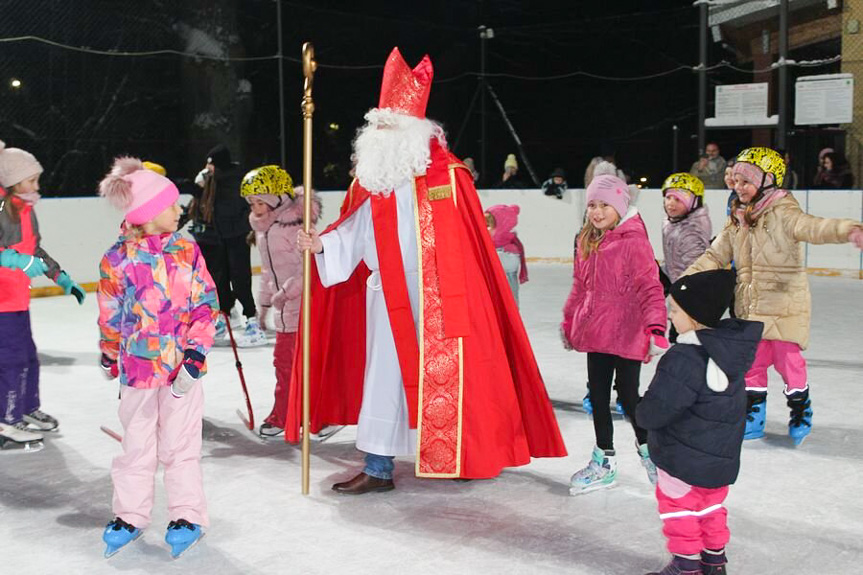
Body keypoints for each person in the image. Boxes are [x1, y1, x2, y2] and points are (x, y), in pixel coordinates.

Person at [293, 47, 566, 494]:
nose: (377, 134)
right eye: (375, 125)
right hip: (386, 296)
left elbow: (472, 247)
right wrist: (320, 243)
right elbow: (355, 233)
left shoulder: (449, 177)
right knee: (382, 378)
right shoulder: (372, 182)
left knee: (454, 377)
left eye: (387, 126)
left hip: (441, 298)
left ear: (412, 132)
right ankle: (378, 467)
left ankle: (459, 453)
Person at [685, 147, 863, 445]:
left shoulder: (784, 212)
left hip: (783, 306)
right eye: (736, 181)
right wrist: (686, 280)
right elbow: (715, 254)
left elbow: (816, 227)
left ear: (768, 180)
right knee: (751, 365)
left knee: (789, 363)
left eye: (746, 181)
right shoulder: (738, 218)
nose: (738, 187)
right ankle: (754, 414)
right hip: (751, 308)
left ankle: (799, 407)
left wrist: (849, 230)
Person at [97, 156, 218, 558]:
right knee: (136, 446)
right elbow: (110, 312)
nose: (178, 209)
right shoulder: (116, 259)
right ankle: (130, 515)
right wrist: (109, 353)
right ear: (147, 213)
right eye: (169, 205)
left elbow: (205, 302)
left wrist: (197, 353)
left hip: (181, 370)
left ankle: (187, 515)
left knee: (181, 447)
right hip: (137, 371)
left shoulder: (186, 248)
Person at [637, 270, 763, 575]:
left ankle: (685, 566)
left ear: (694, 316)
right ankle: (713, 561)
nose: (670, 316)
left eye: (676, 310)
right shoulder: (728, 356)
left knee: (678, 509)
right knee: (710, 508)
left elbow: (658, 409)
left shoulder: (684, 358)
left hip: (681, 458)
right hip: (718, 462)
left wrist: (641, 412)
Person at [560, 174, 667, 495]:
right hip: (597, 330)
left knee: (630, 396)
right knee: (597, 396)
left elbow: (651, 287)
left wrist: (656, 327)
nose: (596, 211)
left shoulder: (634, 241)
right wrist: (570, 321)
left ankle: (651, 454)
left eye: (604, 205)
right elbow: (580, 286)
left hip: (629, 329)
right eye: (592, 204)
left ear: (620, 206)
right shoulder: (586, 239)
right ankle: (603, 461)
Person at [0, 140, 85, 448]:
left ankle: (25, 408)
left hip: (17, 297)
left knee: (27, 357)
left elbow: (34, 249)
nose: (37, 186)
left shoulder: (25, 209)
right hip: (1, 302)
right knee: (10, 360)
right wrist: (15, 260)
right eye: (31, 180)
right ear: (11, 181)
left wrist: (59, 276)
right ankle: (6, 420)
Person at [240, 165, 325, 438]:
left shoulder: (295, 228)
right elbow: (267, 272)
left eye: (260, 201)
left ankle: (304, 416)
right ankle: (290, 414)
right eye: (252, 202)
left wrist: (286, 292)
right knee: (286, 363)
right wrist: (262, 306)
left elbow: (309, 268)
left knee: (296, 364)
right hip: (284, 308)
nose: (255, 207)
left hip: (303, 305)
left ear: (277, 198)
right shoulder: (266, 231)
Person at [188, 144, 266, 347]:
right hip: (217, 238)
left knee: (240, 279)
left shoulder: (234, 180)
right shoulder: (212, 182)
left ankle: (251, 318)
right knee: (219, 280)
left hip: (237, 237)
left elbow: (241, 206)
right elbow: (199, 202)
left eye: (210, 163)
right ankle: (225, 316)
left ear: (218, 163)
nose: (207, 167)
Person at [661, 173, 711, 285]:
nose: (671, 203)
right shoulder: (672, 223)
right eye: (668, 198)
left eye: (678, 200)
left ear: (693, 203)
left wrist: (679, 293)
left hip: (688, 292)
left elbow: (695, 274)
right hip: (676, 284)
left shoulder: (691, 233)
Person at [484, 204, 528, 306]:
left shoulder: (508, 244)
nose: (486, 229)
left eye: (489, 225)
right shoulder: (493, 241)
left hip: (506, 279)